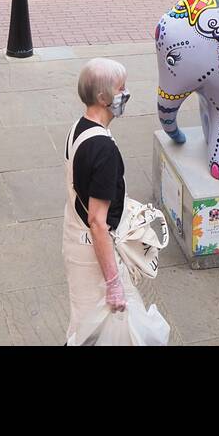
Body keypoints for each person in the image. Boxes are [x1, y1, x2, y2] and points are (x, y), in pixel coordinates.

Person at [62, 59, 134, 344]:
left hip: (74, 242)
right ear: (103, 98)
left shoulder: (79, 129)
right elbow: (97, 222)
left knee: (85, 325)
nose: (126, 93)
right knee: (91, 332)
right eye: (121, 89)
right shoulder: (103, 149)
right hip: (93, 253)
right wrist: (113, 283)